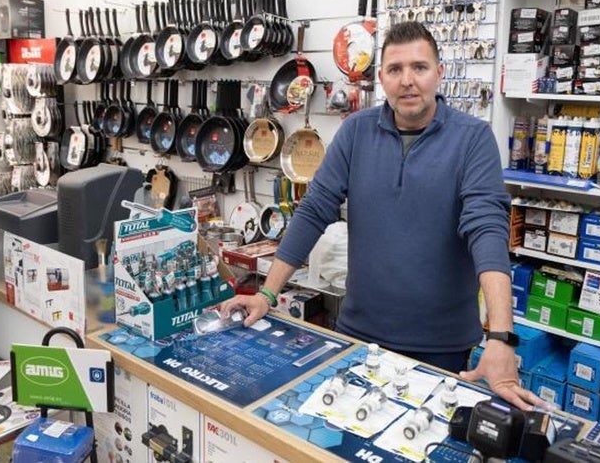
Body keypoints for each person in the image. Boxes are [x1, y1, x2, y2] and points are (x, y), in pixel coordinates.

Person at [222, 21, 542, 410]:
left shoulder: (472, 139)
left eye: (419, 68)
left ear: (439, 73)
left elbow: (487, 232)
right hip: (358, 336)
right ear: (381, 78)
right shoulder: (356, 131)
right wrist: (267, 294)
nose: (408, 80)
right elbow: (313, 210)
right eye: (395, 69)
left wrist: (501, 337)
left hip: (440, 349)